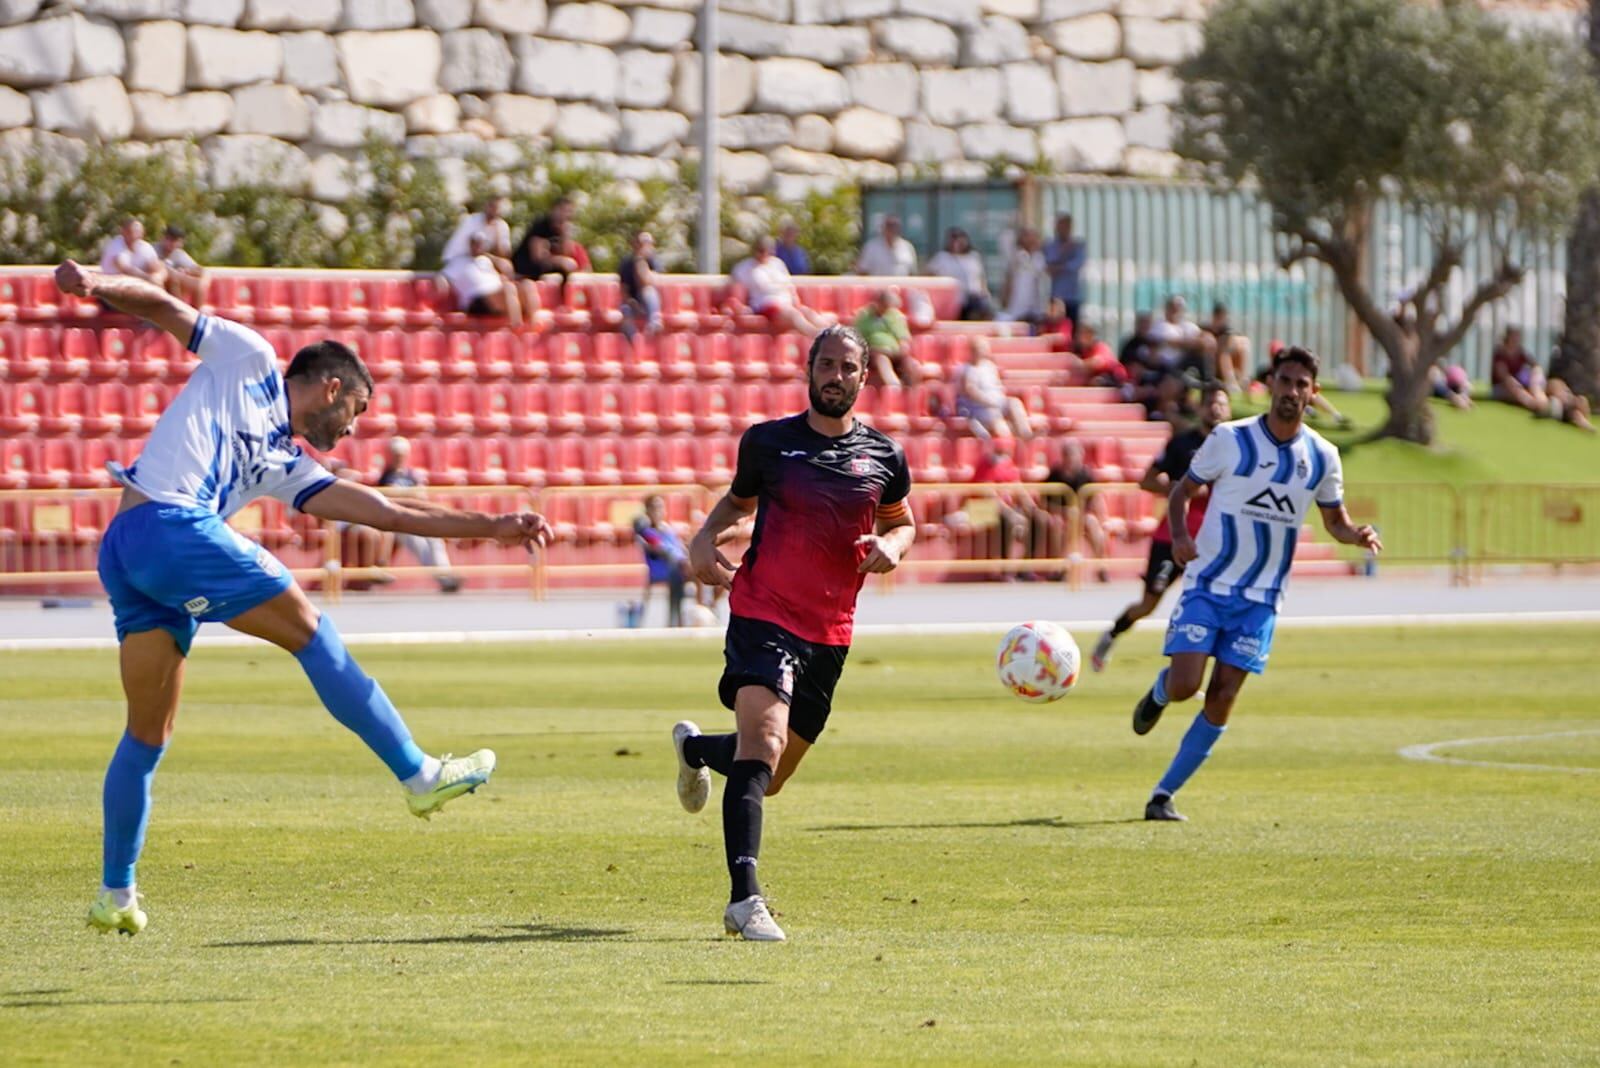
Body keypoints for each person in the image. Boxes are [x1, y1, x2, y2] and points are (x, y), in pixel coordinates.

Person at [52, 259, 553, 936]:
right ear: (332, 387)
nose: (353, 428)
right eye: (357, 411)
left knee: (148, 734)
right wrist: (96, 285)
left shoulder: (284, 462)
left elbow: (388, 514)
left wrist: (491, 526)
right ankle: (418, 774)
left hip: (128, 551)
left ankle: (116, 895)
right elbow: (167, 309)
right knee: (312, 632)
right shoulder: (251, 360)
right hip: (172, 527)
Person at [671, 324, 915, 942]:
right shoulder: (769, 444)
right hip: (763, 612)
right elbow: (736, 504)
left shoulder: (885, 456)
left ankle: (698, 751)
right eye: (826, 365)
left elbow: (904, 521)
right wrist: (704, 538)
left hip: (831, 632)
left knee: (769, 775)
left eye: (848, 368)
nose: (835, 376)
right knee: (765, 745)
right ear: (809, 370)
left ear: (864, 377)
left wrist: (893, 545)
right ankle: (744, 900)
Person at [1130, 346, 1381, 822]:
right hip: (1209, 584)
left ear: (1313, 393)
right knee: (1187, 686)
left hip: (1261, 600)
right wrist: (1181, 538)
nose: (1291, 391)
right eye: (1284, 381)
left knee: (1223, 697)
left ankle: (1162, 795)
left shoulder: (1322, 456)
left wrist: (1356, 535)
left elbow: (1335, 521)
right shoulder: (1230, 438)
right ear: (1270, 385)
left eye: (1301, 384)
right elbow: (1183, 490)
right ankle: (1161, 694)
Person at [1091, 383, 1231, 673]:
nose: (1216, 409)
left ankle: (1189, 672)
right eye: (1211, 403)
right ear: (1202, 407)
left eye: (1222, 403)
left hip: (1213, 542)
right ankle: (1111, 635)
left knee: (1209, 607)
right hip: (1173, 537)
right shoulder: (1182, 443)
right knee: (1149, 604)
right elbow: (1147, 480)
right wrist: (1182, 489)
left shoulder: (1235, 446)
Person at [378, 436, 463, 594]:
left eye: (401, 454)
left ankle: (446, 575)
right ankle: (443, 579)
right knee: (418, 544)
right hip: (398, 521)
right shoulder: (387, 476)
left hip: (415, 517)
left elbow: (421, 495)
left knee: (434, 540)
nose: (399, 458)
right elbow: (388, 499)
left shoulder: (412, 475)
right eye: (396, 454)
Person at [731, 236, 833, 338]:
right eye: (760, 250)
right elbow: (738, 290)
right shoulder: (744, 268)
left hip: (786, 302)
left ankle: (832, 332)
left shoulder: (777, 264)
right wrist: (741, 305)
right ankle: (816, 336)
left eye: (767, 251)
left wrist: (795, 299)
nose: (764, 254)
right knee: (793, 315)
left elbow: (789, 285)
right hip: (766, 304)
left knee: (807, 313)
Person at [1043, 438, 1108, 581]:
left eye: (1074, 454)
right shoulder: (1055, 475)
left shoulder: (1087, 475)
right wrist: (1063, 512)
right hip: (1061, 515)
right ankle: (1059, 568)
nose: (1071, 458)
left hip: (1082, 515)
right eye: (1068, 454)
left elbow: (1096, 498)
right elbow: (1045, 502)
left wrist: (1103, 519)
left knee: (1093, 524)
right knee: (1057, 525)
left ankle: (1101, 567)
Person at [954, 338, 1034, 441]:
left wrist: (998, 399)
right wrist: (990, 401)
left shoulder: (989, 366)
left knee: (1014, 403)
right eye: (980, 349)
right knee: (1000, 425)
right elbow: (970, 392)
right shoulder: (966, 370)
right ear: (972, 351)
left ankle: (1026, 435)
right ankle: (1008, 447)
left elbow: (997, 387)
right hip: (977, 408)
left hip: (996, 401)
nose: (983, 352)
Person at [441, 231, 523, 326]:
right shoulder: (459, 262)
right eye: (475, 243)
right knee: (509, 288)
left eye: (481, 243)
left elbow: (508, 269)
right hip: (476, 300)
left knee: (527, 286)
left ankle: (534, 328)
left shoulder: (486, 260)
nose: (478, 246)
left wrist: (490, 256)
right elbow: (443, 276)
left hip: (494, 297)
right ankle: (516, 327)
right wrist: (441, 284)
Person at [634, 494, 689, 627]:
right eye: (655, 507)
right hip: (663, 568)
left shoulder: (668, 529)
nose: (658, 511)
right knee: (683, 570)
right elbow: (657, 549)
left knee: (702, 568)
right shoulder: (645, 531)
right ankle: (676, 621)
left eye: (661, 507)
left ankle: (705, 609)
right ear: (647, 510)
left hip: (681, 565)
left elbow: (681, 548)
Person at [512, 194, 579, 297]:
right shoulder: (542, 225)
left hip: (545, 263)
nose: (565, 214)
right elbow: (537, 256)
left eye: (568, 211)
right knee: (544, 268)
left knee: (566, 270)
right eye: (562, 210)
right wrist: (559, 260)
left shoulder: (562, 229)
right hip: (525, 263)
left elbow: (567, 253)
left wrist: (565, 235)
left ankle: (563, 301)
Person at [852, 287, 917, 387]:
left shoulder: (895, 316)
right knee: (882, 359)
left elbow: (903, 336)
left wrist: (903, 346)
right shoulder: (864, 316)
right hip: (874, 352)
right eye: (884, 305)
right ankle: (894, 387)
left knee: (911, 364)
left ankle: (913, 392)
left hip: (894, 352)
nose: (886, 308)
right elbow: (857, 337)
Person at [927, 228, 993, 321]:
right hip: (954, 299)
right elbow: (929, 275)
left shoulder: (973, 256)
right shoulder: (941, 258)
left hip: (974, 297)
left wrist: (985, 292)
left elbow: (980, 277)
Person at [618, 230, 663, 338]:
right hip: (632, 301)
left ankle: (654, 323)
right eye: (643, 243)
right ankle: (634, 343)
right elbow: (624, 289)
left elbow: (648, 281)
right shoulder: (627, 264)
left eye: (649, 243)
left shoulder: (653, 262)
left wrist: (642, 263)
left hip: (648, 301)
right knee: (625, 311)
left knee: (649, 292)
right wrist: (631, 302)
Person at [1043, 213, 1086, 328]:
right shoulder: (1050, 245)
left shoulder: (1078, 246)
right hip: (1055, 296)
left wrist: (1059, 267)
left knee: (1072, 329)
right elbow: (1048, 264)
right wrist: (1064, 252)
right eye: (1060, 225)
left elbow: (1076, 265)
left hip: (1072, 297)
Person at [100, 218, 166, 290]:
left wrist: (159, 276)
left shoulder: (144, 246)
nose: (136, 235)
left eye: (139, 232)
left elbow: (157, 265)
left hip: (137, 281)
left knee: (172, 277)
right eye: (132, 232)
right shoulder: (116, 246)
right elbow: (125, 269)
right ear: (123, 232)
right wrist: (148, 278)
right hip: (116, 283)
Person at [998, 227, 1047, 325]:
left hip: (1036, 307)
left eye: (1033, 237)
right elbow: (1005, 239)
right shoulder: (1016, 256)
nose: (1031, 240)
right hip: (1016, 304)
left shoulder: (1040, 258)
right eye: (1027, 236)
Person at [1203, 303, 1252, 392]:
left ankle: (1240, 380)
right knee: (1224, 351)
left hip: (1225, 361)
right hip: (1213, 364)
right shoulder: (1206, 330)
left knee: (1243, 343)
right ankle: (1232, 382)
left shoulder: (1226, 331)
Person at [155, 225, 204, 305]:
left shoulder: (179, 254)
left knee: (198, 284)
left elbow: (199, 270)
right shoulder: (153, 249)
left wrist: (186, 271)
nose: (171, 243)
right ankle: (178, 308)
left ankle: (196, 312)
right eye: (169, 239)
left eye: (175, 241)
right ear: (162, 238)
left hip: (174, 283)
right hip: (157, 282)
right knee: (174, 278)